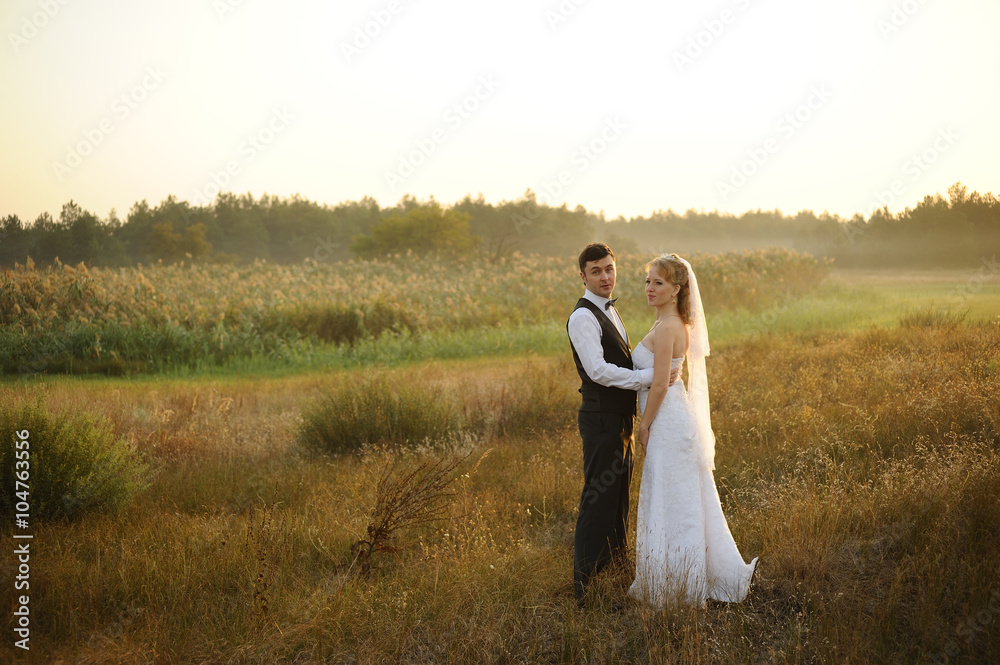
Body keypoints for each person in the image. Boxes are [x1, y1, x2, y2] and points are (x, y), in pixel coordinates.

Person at [628, 253, 758, 608]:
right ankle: (669, 575)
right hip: (670, 416)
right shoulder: (666, 322)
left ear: (676, 289)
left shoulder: (671, 326)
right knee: (672, 494)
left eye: (659, 283)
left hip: (667, 420)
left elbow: (658, 386)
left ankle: (682, 583)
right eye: (648, 281)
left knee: (674, 496)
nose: (650, 288)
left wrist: (643, 425)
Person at [566, 243, 679, 605]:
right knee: (597, 499)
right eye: (596, 271)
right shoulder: (583, 317)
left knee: (617, 500)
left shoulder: (610, 311)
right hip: (600, 419)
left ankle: (615, 571)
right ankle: (584, 587)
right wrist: (649, 377)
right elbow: (598, 371)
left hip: (619, 419)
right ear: (582, 275)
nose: (605, 276)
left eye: (609, 269)